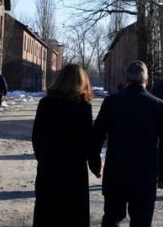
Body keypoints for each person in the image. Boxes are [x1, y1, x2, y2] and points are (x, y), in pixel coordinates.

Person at [92, 61, 163, 227]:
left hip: (116, 172)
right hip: (145, 175)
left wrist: (94, 163)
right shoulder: (158, 106)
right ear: (147, 80)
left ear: (125, 79)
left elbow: (97, 135)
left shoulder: (111, 103)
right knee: (141, 221)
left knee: (112, 218)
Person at [32, 64, 101, 227]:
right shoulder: (83, 107)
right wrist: (94, 165)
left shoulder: (45, 103)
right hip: (74, 171)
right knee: (73, 216)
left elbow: (37, 136)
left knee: (47, 214)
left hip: (49, 168)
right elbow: (87, 141)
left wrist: (42, 157)